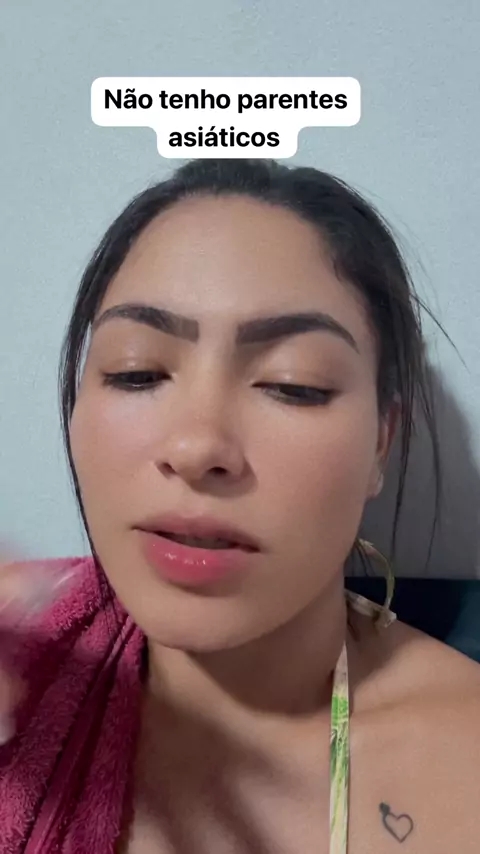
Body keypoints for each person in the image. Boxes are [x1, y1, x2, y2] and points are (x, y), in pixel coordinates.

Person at [0, 158, 479, 854]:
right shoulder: (22, 657)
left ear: (381, 443)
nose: (197, 447)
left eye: (294, 385)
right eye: (136, 373)